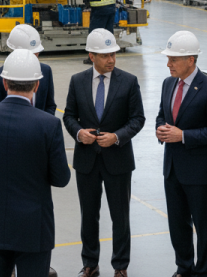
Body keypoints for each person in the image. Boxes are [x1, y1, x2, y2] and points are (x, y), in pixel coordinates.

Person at [0, 49, 71, 277]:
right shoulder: (48, 125)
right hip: (33, 228)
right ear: (37, 85)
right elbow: (61, 178)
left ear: (4, 82)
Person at [63, 29, 146, 277]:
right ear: (91, 56)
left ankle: (120, 266)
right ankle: (90, 263)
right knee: (89, 215)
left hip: (117, 160)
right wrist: (79, 133)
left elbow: (138, 119)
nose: (111, 59)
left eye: (113, 54)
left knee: (120, 217)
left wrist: (117, 137)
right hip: (87, 161)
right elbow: (68, 115)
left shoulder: (129, 81)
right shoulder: (77, 81)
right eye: (105, 55)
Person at [156, 31, 207, 277]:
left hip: (199, 171)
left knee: (203, 227)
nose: (168, 64)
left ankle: (203, 272)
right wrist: (161, 129)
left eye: (173, 59)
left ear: (190, 60)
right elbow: (162, 114)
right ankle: (183, 268)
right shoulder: (168, 83)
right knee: (177, 224)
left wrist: (183, 136)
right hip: (173, 168)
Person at [0, 24, 56, 115]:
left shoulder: (46, 71)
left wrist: (42, 125)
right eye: (32, 54)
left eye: (37, 53)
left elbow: (50, 106)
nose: (35, 57)